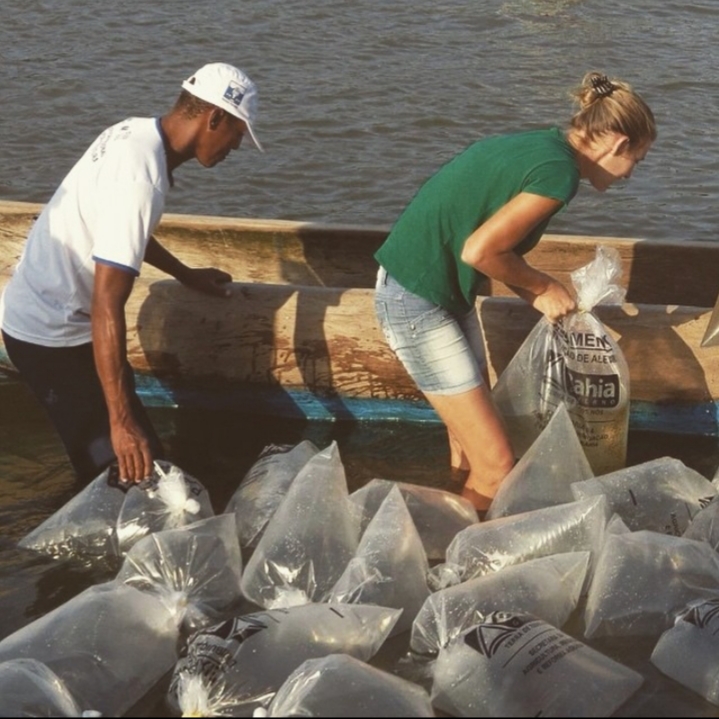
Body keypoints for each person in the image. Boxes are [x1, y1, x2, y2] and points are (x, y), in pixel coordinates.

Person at [374, 72, 656, 512]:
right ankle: (453, 564)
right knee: (498, 463)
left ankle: (451, 516)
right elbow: (480, 250)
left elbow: (482, 236)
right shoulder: (559, 174)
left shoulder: (542, 147)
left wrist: (534, 294)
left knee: (470, 449)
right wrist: (543, 285)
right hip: (418, 301)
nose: (630, 175)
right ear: (618, 144)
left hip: (435, 292)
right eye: (637, 160)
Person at [0, 62, 263, 487]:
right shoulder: (142, 178)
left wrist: (185, 274)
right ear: (214, 117)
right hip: (49, 334)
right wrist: (120, 422)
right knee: (130, 478)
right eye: (237, 132)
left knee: (141, 469)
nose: (236, 146)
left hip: (49, 312)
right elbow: (107, 304)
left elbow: (122, 230)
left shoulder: (134, 133)